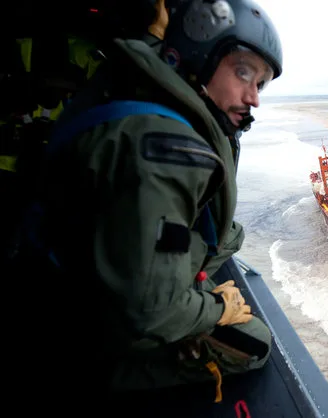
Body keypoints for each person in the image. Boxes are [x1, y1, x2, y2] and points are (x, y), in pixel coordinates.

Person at [18, 0, 283, 407]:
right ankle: (91, 375)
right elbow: (149, 311)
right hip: (77, 322)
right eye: (242, 72)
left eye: (260, 83)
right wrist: (214, 309)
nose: (254, 98)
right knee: (256, 343)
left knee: (230, 237)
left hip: (61, 272)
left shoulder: (139, 94)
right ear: (199, 57)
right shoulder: (166, 148)